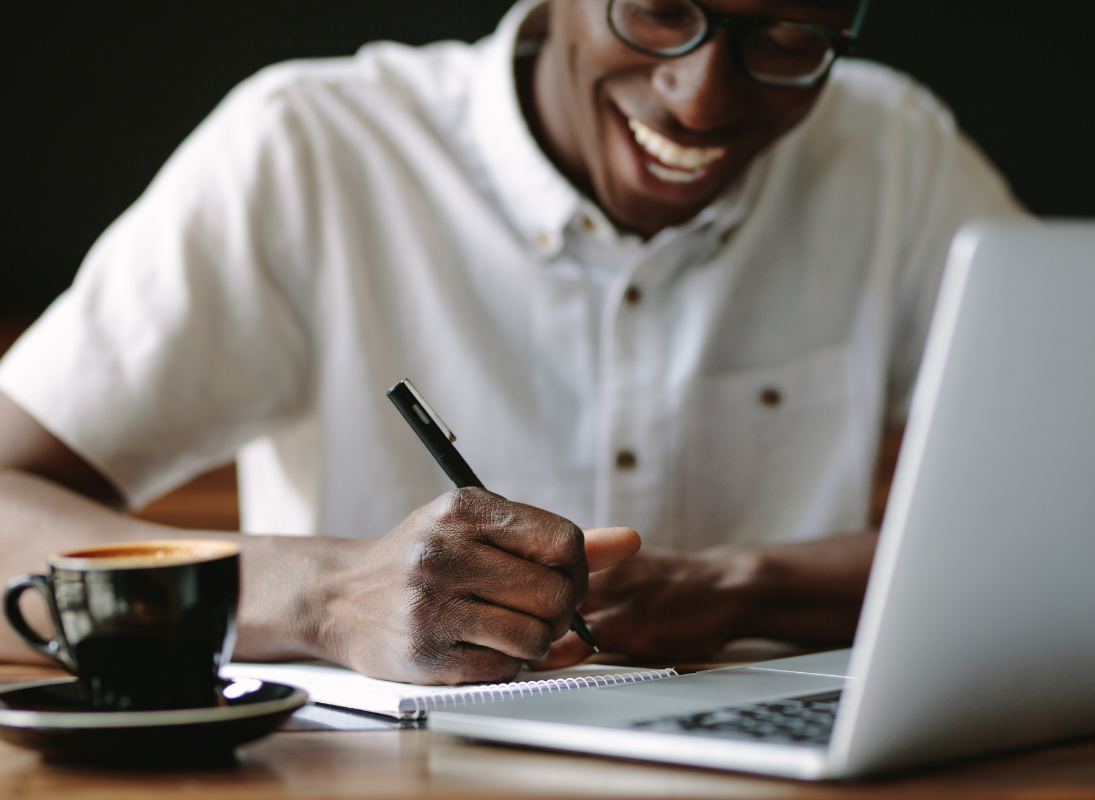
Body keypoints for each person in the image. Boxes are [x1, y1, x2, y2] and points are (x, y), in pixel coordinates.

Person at [0, 0, 1022, 683]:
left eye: (790, 35)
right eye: (661, 8)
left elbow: (1085, 526)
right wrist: (323, 596)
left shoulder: (899, 156)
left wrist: (738, 585)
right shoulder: (308, 149)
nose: (703, 99)